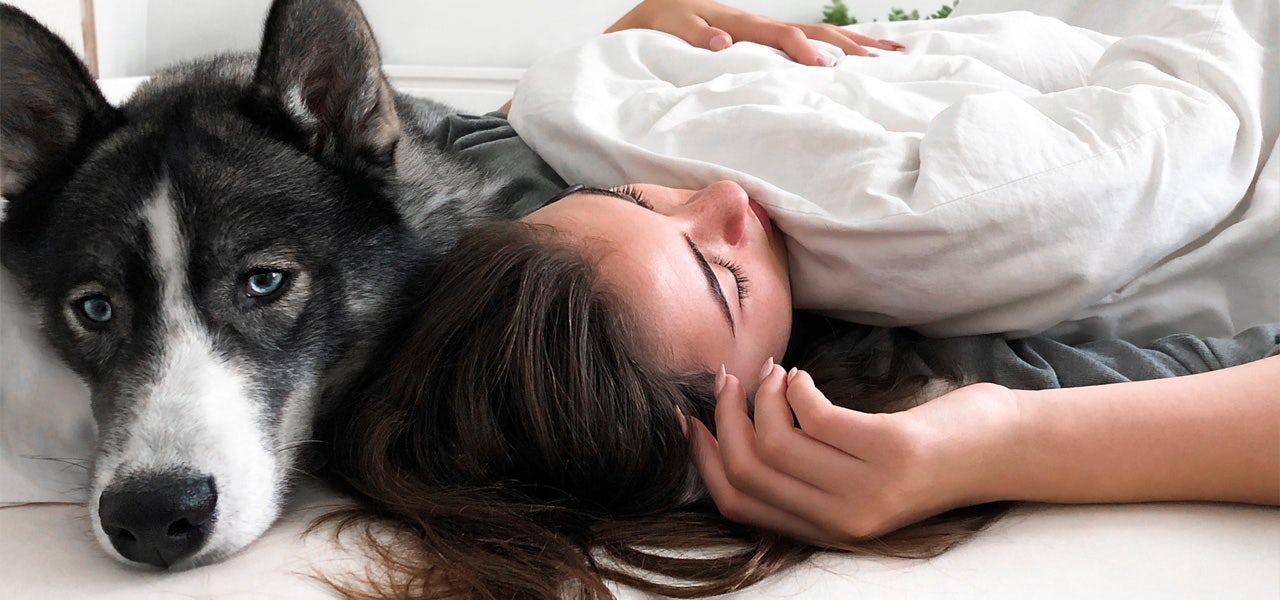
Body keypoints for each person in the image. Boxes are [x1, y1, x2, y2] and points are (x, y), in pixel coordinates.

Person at [317, 1, 1279, 599]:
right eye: (726, 277)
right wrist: (996, 442)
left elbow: (491, 135)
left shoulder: (516, 214)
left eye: (631, 197)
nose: (730, 198)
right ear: (750, 410)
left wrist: (643, 36)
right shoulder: (915, 368)